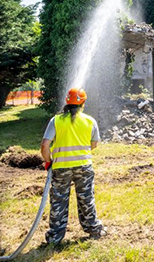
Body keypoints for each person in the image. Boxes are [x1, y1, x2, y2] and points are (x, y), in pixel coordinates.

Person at [40, 88, 106, 244]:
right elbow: (94, 144)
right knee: (86, 198)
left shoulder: (55, 121)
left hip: (60, 168)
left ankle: (55, 237)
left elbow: (44, 146)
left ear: (67, 102)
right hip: (84, 166)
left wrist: (48, 161)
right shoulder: (90, 121)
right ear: (83, 103)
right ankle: (93, 229)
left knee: (58, 201)